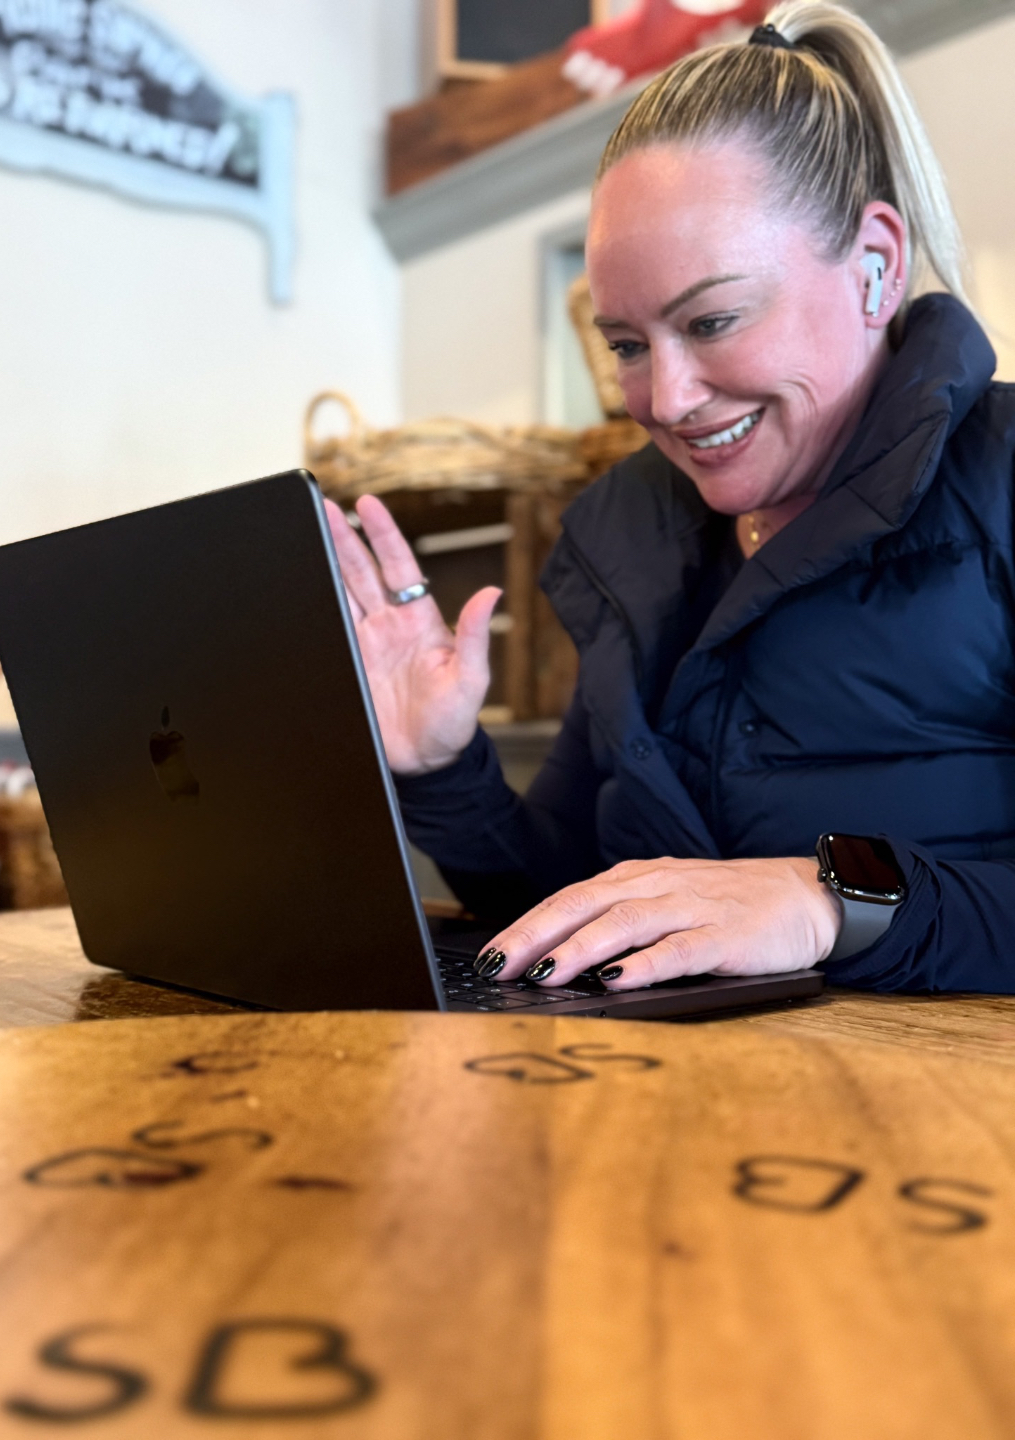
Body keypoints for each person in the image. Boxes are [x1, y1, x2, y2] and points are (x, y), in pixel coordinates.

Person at [326, 0, 1015, 996]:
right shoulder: (628, 537)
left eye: (713, 320)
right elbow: (570, 894)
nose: (667, 398)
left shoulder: (1000, 479)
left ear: (875, 267)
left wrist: (827, 899)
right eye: (627, 345)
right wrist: (440, 765)